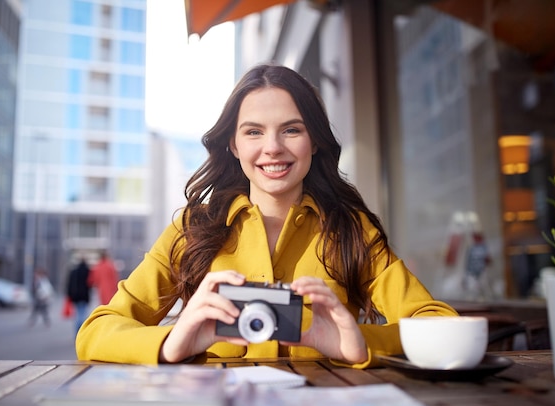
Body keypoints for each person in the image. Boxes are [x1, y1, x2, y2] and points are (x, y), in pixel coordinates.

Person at [77, 64, 457, 367]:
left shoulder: (351, 230)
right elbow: (95, 332)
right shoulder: (192, 229)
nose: (272, 148)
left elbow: (442, 328)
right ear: (233, 143)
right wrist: (173, 342)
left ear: (315, 141)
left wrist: (358, 343)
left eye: (291, 130)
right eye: (254, 132)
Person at [67, 258, 91, 334]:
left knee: (77, 314)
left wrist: (69, 295)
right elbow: (90, 283)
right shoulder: (87, 272)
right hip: (84, 297)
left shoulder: (74, 272)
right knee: (83, 314)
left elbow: (69, 284)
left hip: (75, 297)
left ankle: (77, 332)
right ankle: (82, 331)